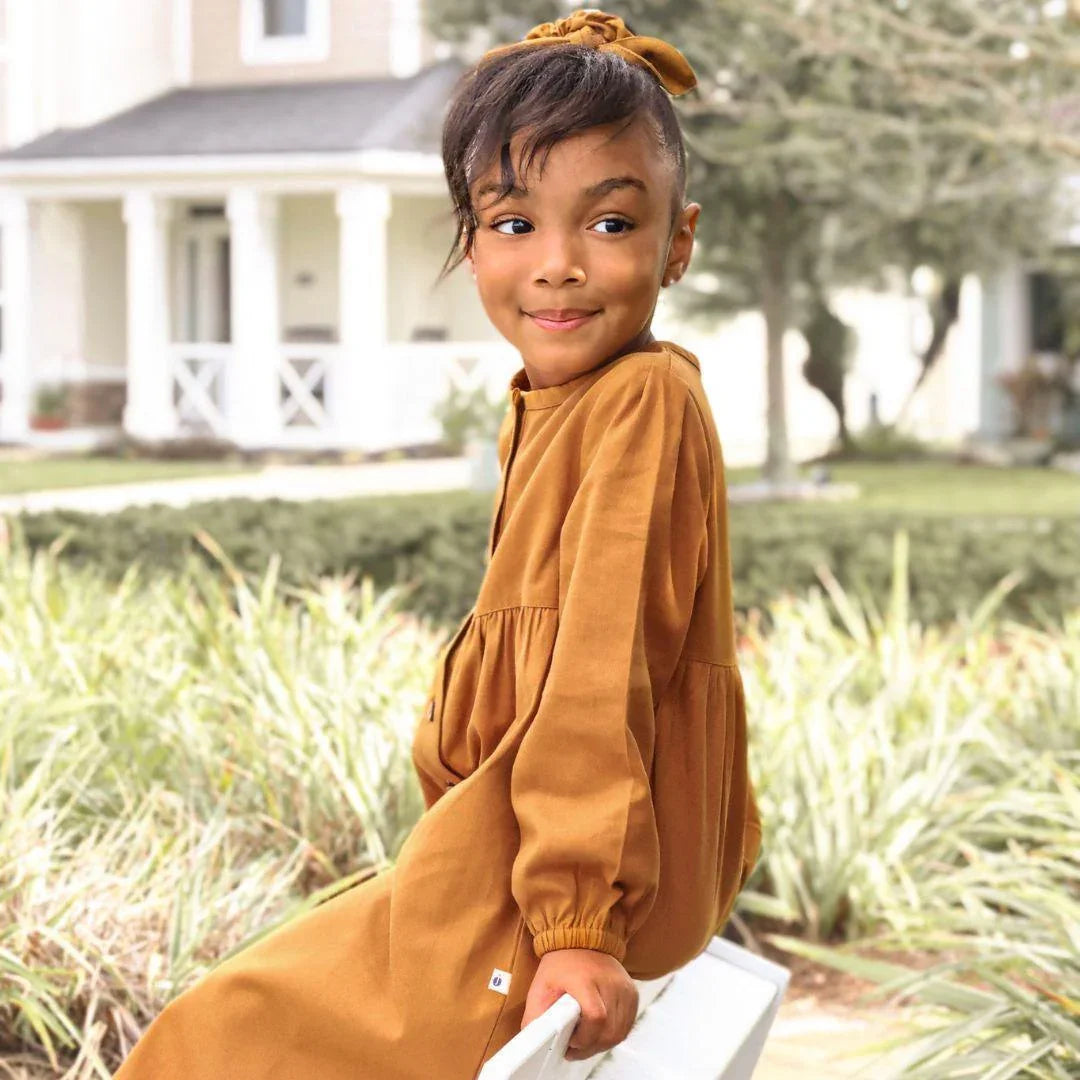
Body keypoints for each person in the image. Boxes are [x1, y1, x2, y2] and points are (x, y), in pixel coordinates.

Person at [112, 9, 762, 1079]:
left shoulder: (640, 400)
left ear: (677, 241)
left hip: (537, 891)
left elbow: (598, 680)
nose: (556, 266)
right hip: (495, 855)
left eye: (607, 224)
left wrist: (577, 927)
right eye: (514, 223)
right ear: (470, 243)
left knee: (214, 1036)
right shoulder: (558, 399)